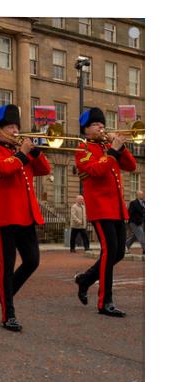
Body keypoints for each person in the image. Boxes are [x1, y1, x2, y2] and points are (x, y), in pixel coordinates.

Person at [0, 104, 51, 332]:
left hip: (27, 216)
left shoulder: (23, 153)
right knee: (7, 266)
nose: (15, 131)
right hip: (6, 217)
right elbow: (2, 169)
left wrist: (34, 151)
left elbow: (45, 169)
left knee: (32, 261)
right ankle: (8, 314)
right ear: (0, 130)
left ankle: (4, 293)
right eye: (10, 127)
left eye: (16, 126)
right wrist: (22, 153)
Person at [74, 108, 136, 317]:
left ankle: (85, 279)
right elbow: (97, 171)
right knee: (109, 252)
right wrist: (112, 152)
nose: (101, 127)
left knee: (118, 253)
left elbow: (131, 165)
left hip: (116, 208)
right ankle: (104, 301)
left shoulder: (109, 147)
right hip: (100, 209)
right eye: (96, 125)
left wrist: (120, 147)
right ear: (86, 129)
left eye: (101, 124)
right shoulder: (83, 150)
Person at [125, 190, 145, 254]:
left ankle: (125, 246)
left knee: (135, 237)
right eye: (140, 194)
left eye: (142, 194)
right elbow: (130, 213)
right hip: (134, 222)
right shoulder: (133, 203)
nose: (142, 195)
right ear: (137, 195)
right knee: (141, 236)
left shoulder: (144, 203)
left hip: (142, 222)